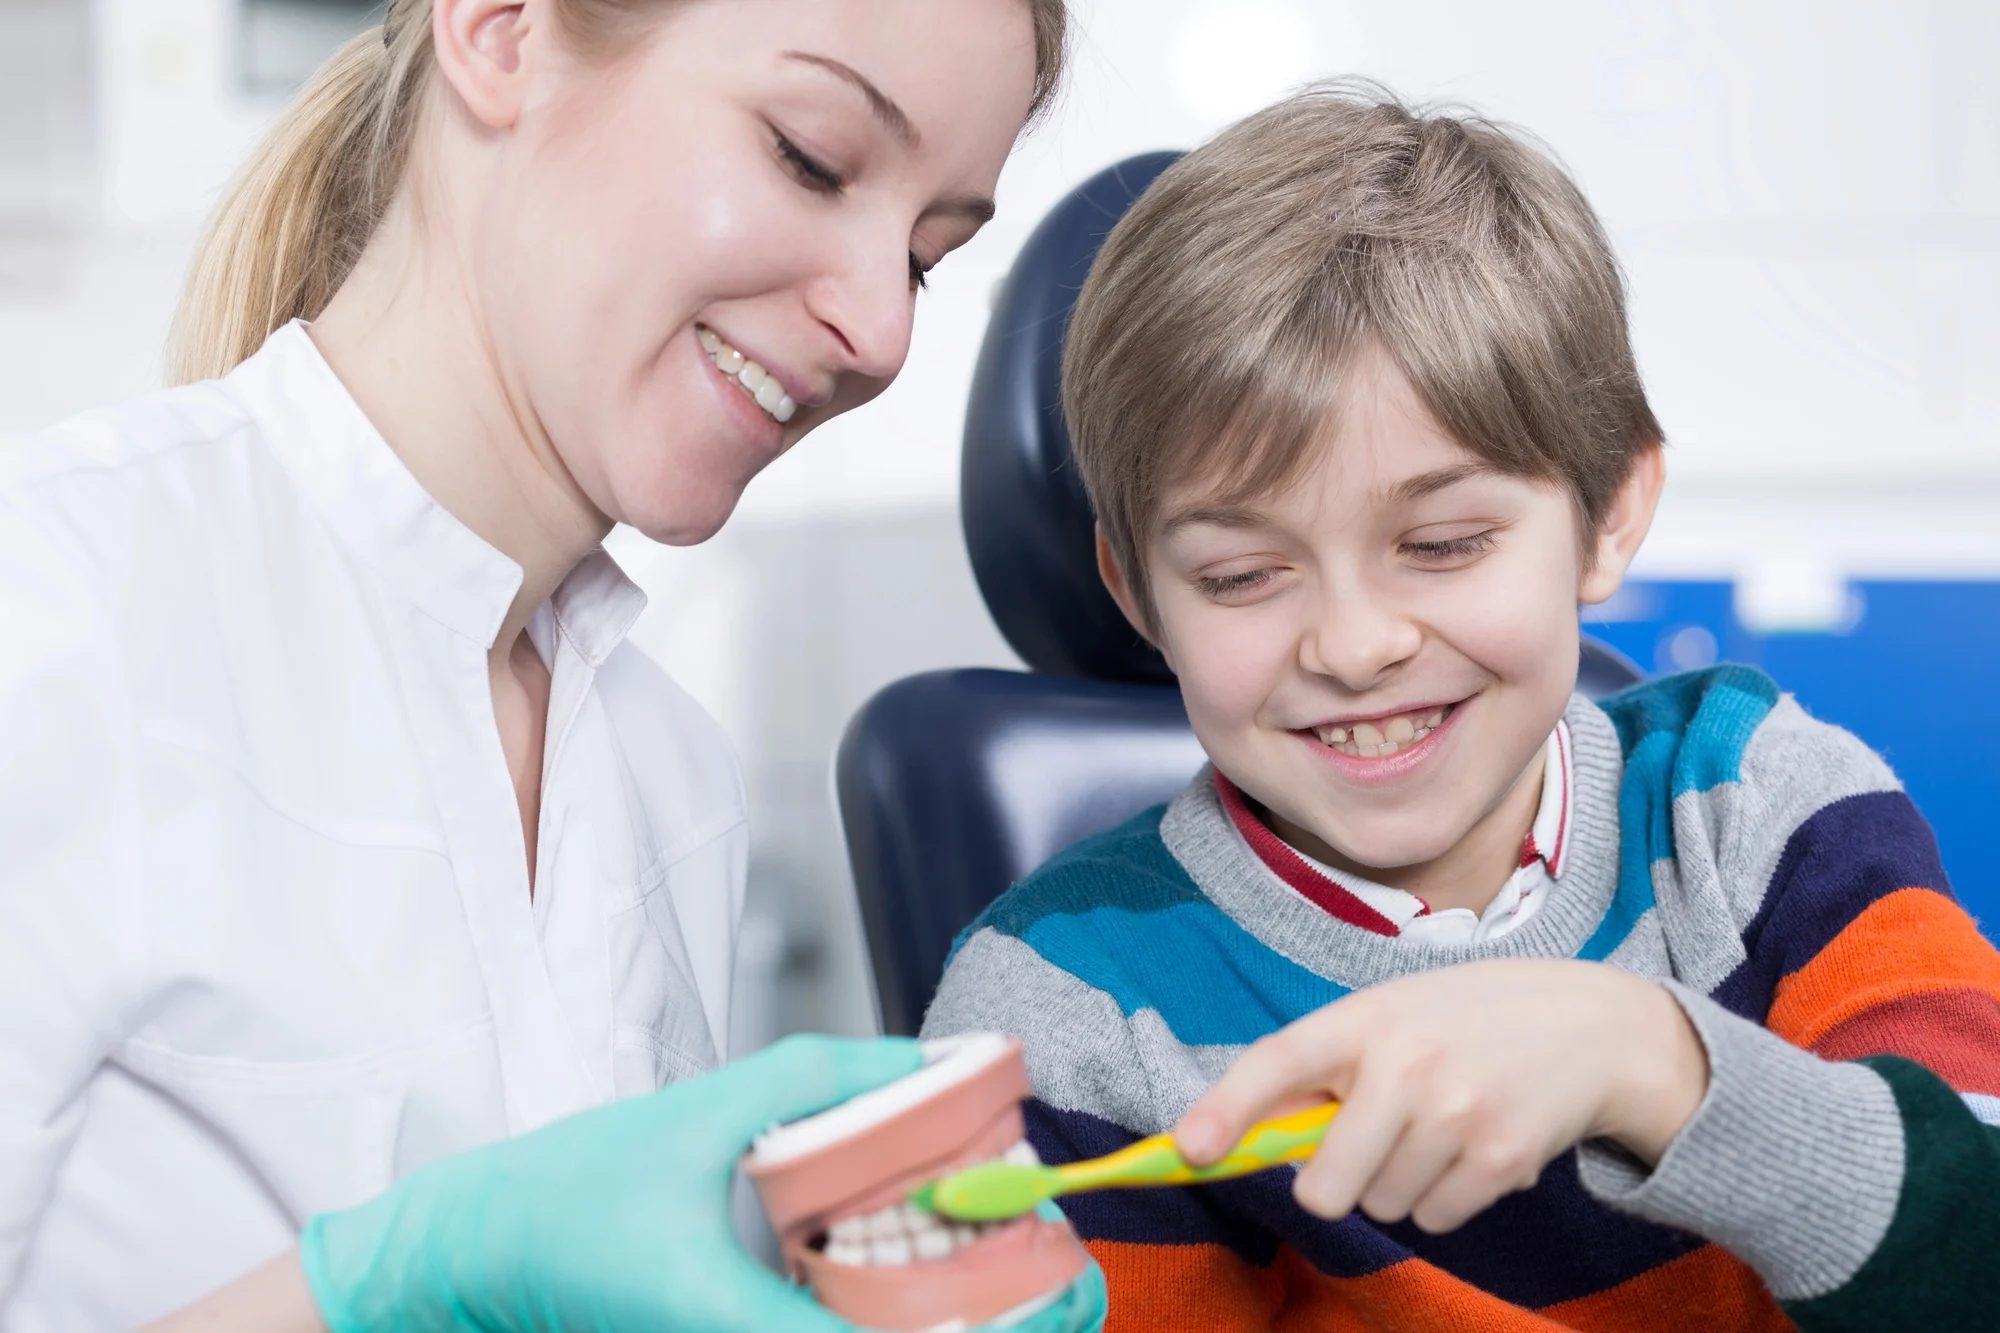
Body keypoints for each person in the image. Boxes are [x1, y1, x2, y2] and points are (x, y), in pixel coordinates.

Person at [0, 1, 1106, 1330]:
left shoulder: (670, 776)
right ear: (503, 29)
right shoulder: (57, 606)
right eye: (810, 157)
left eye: (926, 257)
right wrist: (397, 1281)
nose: (882, 331)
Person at [923, 83, 2000, 1331]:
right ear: (1139, 591)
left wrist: (1649, 1062)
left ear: (1607, 515)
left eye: (1438, 543)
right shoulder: (1065, 1010)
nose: (1356, 643)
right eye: (1239, 576)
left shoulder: (1758, 807)